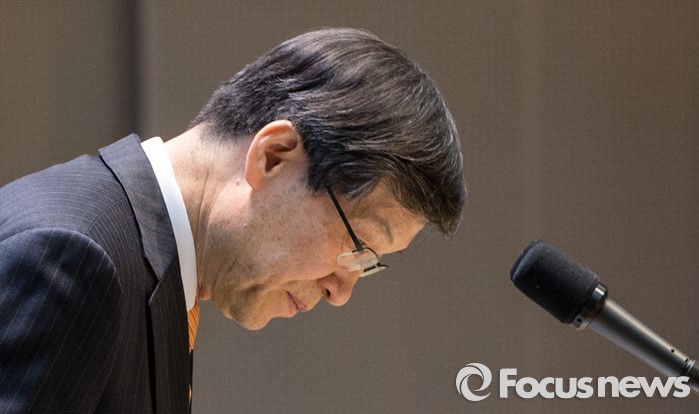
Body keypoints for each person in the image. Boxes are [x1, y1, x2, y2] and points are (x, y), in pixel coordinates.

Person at [0, 28, 465, 413]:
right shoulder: (71, 259)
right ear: (273, 156)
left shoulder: (146, 270)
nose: (340, 292)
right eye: (357, 245)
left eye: (368, 264)